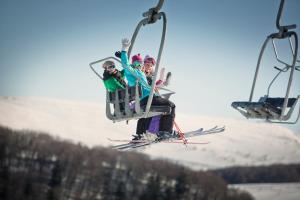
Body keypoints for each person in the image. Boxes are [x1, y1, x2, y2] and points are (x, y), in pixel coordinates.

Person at [120, 38, 176, 140]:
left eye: (140, 64)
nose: (139, 66)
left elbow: (151, 84)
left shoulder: (141, 74)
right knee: (171, 106)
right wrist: (124, 50)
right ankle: (165, 132)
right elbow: (125, 65)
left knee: (149, 113)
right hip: (147, 99)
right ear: (133, 64)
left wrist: (161, 82)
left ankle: (141, 134)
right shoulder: (133, 72)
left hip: (144, 100)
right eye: (137, 64)